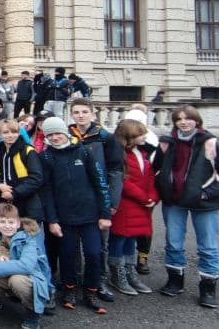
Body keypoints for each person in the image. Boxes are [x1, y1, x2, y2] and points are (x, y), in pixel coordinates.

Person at [154, 105, 219, 308]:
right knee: (173, 242)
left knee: (208, 246)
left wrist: (207, 193)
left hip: (203, 203)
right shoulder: (166, 143)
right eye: (179, 119)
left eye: (188, 118)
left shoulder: (211, 143)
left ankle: (208, 288)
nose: (183, 122)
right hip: (174, 200)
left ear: (197, 120)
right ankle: (175, 280)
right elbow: (156, 169)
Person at [39, 117, 112, 314]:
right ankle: (69, 288)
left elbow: (100, 183)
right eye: (50, 135)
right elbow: (46, 192)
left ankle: (91, 291)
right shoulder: (45, 157)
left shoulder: (84, 151)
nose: (55, 138)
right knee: (68, 255)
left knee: (93, 253)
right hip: (64, 218)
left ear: (65, 132)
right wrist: (52, 220)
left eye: (58, 133)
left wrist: (105, 214)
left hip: (90, 215)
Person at [68, 98, 125, 302]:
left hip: (98, 198)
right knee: (72, 245)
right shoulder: (67, 136)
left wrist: (112, 202)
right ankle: (73, 280)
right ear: (71, 114)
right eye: (76, 112)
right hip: (73, 198)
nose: (81, 116)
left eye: (84, 112)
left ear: (92, 114)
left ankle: (99, 280)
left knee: (99, 244)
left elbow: (116, 171)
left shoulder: (105, 138)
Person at [0, 203, 52, 329]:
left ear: (18, 223)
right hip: (1, 278)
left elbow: (27, 265)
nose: (7, 226)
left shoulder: (28, 238)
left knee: (17, 280)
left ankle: (32, 312)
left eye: (11, 222)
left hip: (27, 278)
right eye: (2, 222)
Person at [107, 119, 158, 296]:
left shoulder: (142, 152)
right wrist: (144, 198)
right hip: (125, 205)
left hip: (140, 204)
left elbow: (150, 176)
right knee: (119, 239)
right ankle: (117, 275)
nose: (145, 136)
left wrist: (152, 196)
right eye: (140, 134)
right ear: (129, 136)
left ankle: (129, 272)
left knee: (131, 240)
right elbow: (123, 181)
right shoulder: (119, 154)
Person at [0, 118, 44, 222]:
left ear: (19, 133)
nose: (10, 135)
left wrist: (14, 193)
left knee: (28, 231)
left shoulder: (28, 151)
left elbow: (36, 178)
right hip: (6, 203)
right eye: (5, 132)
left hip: (28, 204)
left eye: (14, 132)